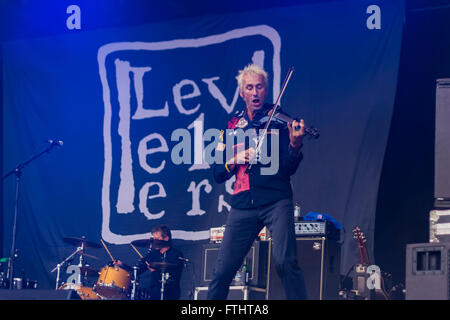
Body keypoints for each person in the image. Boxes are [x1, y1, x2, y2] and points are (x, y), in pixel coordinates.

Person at [207, 64, 308, 300]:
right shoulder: (232, 126)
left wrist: (295, 145)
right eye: (249, 88)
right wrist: (233, 160)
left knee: (286, 262)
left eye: (259, 87)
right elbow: (217, 172)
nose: (255, 92)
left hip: (276, 200)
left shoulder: (280, 121)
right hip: (243, 205)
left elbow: (288, 169)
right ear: (242, 93)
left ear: (265, 90)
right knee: (222, 273)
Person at [115, 225, 184, 300]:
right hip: (154, 294)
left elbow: (172, 278)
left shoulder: (176, 254)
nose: (154, 242)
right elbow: (137, 271)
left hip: (170, 294)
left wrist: (154, 272)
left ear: (166, 238)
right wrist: (122, 265)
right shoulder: (152, 254)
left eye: (157, 239)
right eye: (153, 239)